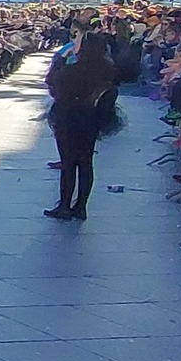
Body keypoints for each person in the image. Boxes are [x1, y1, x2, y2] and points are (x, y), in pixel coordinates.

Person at [44, 25, 123, 221]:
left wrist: (61, 59)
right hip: (92, 120)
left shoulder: (70, 71)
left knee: (68, 162)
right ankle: (81, 207)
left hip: (68, 117)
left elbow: (52, 82)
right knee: (86, 162)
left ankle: (64, 205)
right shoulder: (106, 70)